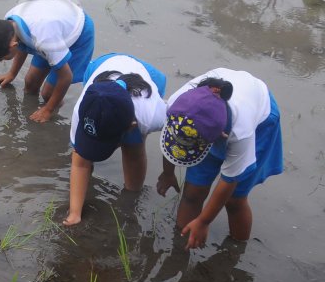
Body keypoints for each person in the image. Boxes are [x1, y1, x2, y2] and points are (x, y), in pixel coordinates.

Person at [158, 69, 283, 248]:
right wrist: (168, 173)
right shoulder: (178, 105)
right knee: (192, 192)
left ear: (221, 136)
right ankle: (180, 247)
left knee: (235, 199)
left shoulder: (242, 133)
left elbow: (230, 179)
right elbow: (171, 141)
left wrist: (204, 221)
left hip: (261, 120)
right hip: (205, 122)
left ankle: (235, 251)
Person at [62, 53, 168, 226]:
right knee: (83, 154)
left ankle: (131, 194)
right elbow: (79, 162)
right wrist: (74, 213)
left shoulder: (152, 115)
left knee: (134, 148)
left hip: (148, 79)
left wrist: (168, 172)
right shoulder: (82, 110)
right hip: (101, 69)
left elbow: (179, 132)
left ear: (130, 125)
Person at [0, 0, 96, 123]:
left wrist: (48, 109)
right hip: (54, 29)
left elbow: (66, 77)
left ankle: (55, 112)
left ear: (13, 46)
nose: (2, 61)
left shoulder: (43, 39)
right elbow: (21, 44)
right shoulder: (9, 24)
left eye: (2, 58)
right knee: (30, 82)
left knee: (48, 93)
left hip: (78, 34)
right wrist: (12, 73)